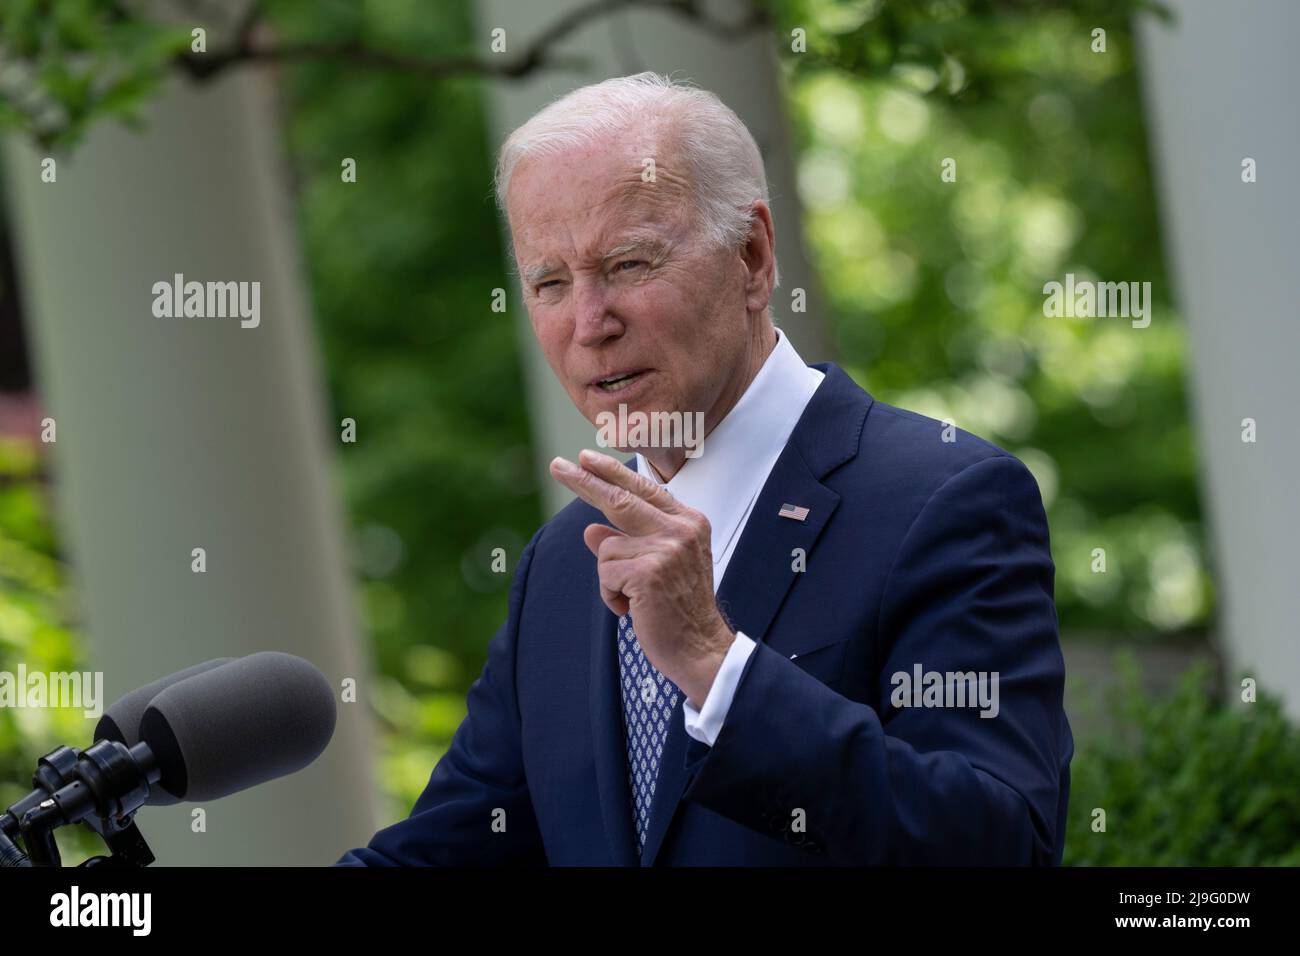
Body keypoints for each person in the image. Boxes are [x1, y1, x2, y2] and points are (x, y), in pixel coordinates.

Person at [336, 72, 1072, 866]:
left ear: (752, 258)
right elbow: (451, 850)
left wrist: (716, 665)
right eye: (550, 282)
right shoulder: (562, 560)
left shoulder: (943, 498)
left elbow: (1002, 846)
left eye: (627, 264)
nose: (590, 325)